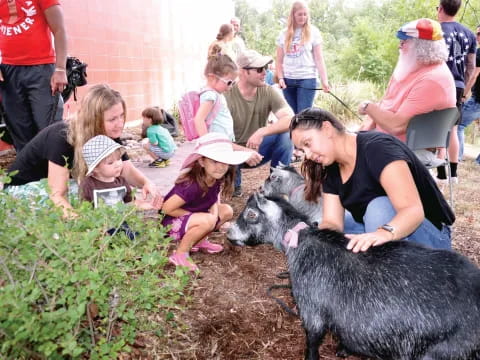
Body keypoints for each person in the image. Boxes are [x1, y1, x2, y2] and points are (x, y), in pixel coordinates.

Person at [291, 108, 455, 252]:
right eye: (302, 150)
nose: (308, 155)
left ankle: (387, 281)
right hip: (380, 228)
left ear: (327, 128)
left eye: (307, 143)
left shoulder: (378, 149)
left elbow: (413, 211)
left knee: (379, 207)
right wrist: (316, 239)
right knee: (331, 228)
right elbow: (333, 222)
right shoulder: (332, 166)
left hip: (431, 239)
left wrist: (382, 233)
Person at [5, 84, 161, 217]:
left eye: (121, 116)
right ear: (93, 119)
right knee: (88, 190)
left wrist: (146, 183)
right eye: (112, 119)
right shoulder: (62, 137)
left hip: (54, 188)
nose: (120, 123)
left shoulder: (108, 133)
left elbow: (125, 170)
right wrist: (82, 225)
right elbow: (57, 194)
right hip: (20, 192)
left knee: (108, 183)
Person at [359, 18, 456, 166]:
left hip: (406, 148)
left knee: (343, 153)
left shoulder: (433, 79)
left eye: (403, 42)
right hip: (388, 139)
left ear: (420, 46)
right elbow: (386, 103)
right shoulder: (414, 69)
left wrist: (368, 107)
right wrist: (366, 127)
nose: (399, 46)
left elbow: (396, 126)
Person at [161, 133, 251, 272]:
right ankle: (180, 254)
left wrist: (214, 215)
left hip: (194, 219)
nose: (220, 167)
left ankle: (199, 241)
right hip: (171, 225)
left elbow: (213, 199)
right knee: (207, 220)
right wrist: (197, 216)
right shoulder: (190, 185)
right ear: (202, 162)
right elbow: (166, 209)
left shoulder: (215, 178)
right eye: (215, 161)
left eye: (224, 162)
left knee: (226, 210)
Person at [225, 49, 295, 196]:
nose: (265, 73)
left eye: (265, 68)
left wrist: (262, 131)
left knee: (286, 135)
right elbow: (216, 140)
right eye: (259, 69)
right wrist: (244, 151)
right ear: (243, 72)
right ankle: (233, 181)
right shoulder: (226, 95)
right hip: (230, 153)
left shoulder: (268, 91)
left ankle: (276, 186)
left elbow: (291, 119)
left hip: (257, 150)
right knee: (221, 151)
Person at [0, 0, 68, 152]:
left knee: (49, 127)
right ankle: (30, 173)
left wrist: (61, 69)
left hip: (41, 69)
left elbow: (59, 30)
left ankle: (57, 171)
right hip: (8, 72)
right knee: (19, 128)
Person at [437, 0, 477, 182]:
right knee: (452, 128)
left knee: (434, 125)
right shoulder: (469, 34)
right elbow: (471, 66)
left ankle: (440, 173)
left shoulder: (435, 31)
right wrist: (465, 89)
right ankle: (453, 173)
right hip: (458, 85)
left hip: (438, 83)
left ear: (441, 8)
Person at [80, 135, 149, 240]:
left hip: (120, 223)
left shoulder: (121, 181)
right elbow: (84, 209)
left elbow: (130, 202)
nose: (117, 164)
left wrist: (142, 204)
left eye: (119, 159)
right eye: (110, 162)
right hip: (100, 227)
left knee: (133, 236)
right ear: (96, 169)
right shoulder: (89, 184)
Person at [276, 1, 330, 116]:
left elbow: (319, 59)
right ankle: (295, 134)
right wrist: (280, 78)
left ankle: (306, 133)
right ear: (293, 15)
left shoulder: (313, 32)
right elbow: (279, 60)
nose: (303, 17)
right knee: (293, 115)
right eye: (300, 14)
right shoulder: (283, 34)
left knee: (304, 115)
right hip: (288, 79)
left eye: (305, 14)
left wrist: (325, 80)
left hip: (307, 78)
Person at [194, 46, 238, 141]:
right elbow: (199, 119)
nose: (230, 87)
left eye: (233, 83)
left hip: (221, 140)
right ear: (212, 77)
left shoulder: (216, 94)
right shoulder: (210, 95)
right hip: (215, 143)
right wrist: (207, 143)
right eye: (229, 82)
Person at [458, 25, 480, 162]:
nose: (477, 36)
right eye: (477, 33)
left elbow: (474, 75)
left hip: (478, 100)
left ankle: (457, 157)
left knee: (458, 125)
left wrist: (464, 93)